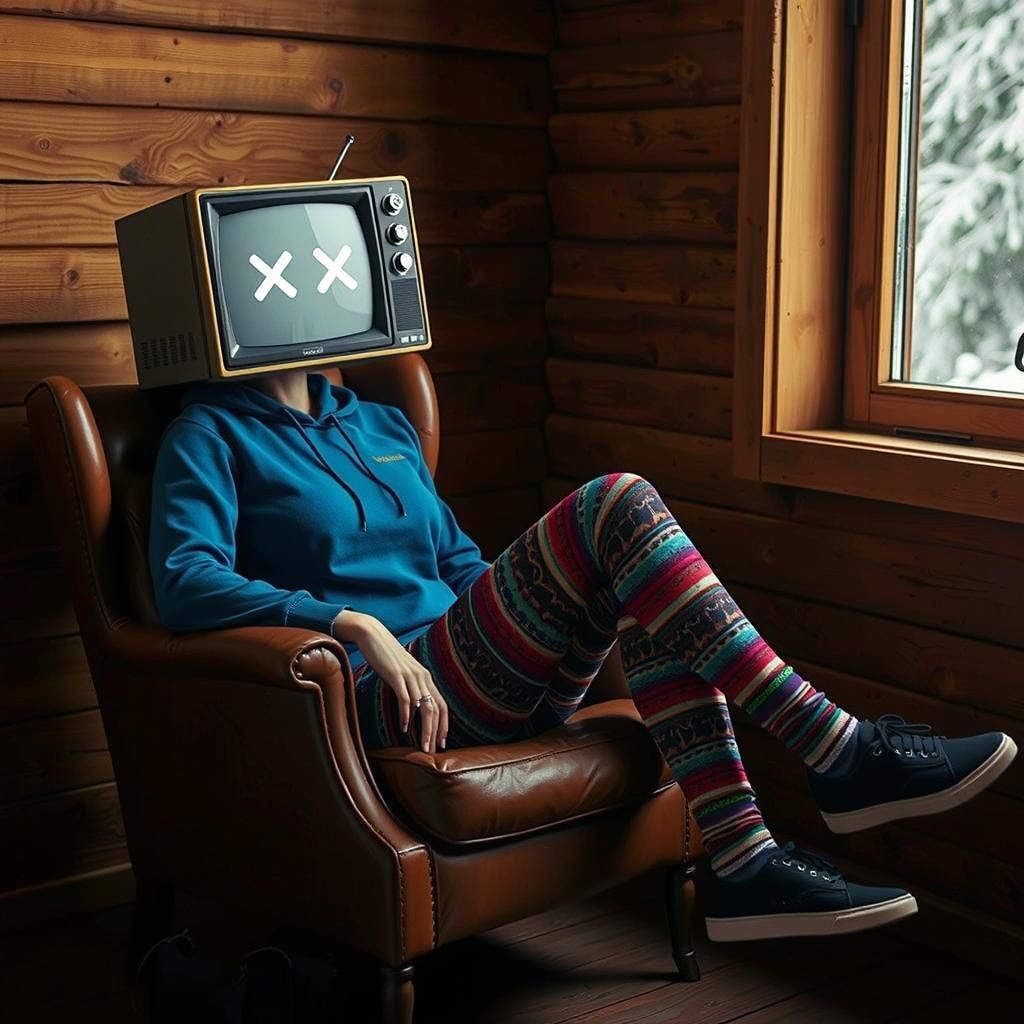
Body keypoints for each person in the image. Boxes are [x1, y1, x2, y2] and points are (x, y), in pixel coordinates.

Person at [149, 368, 1018, 943]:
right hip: (385, 697)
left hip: (471, 675)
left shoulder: (379, 421)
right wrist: (351, 625)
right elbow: (183, 582)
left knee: (644, 585)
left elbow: (456, 563)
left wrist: (536, 614)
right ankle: (835, 754)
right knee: (616, 501)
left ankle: (748, 859)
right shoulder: (207, 435)